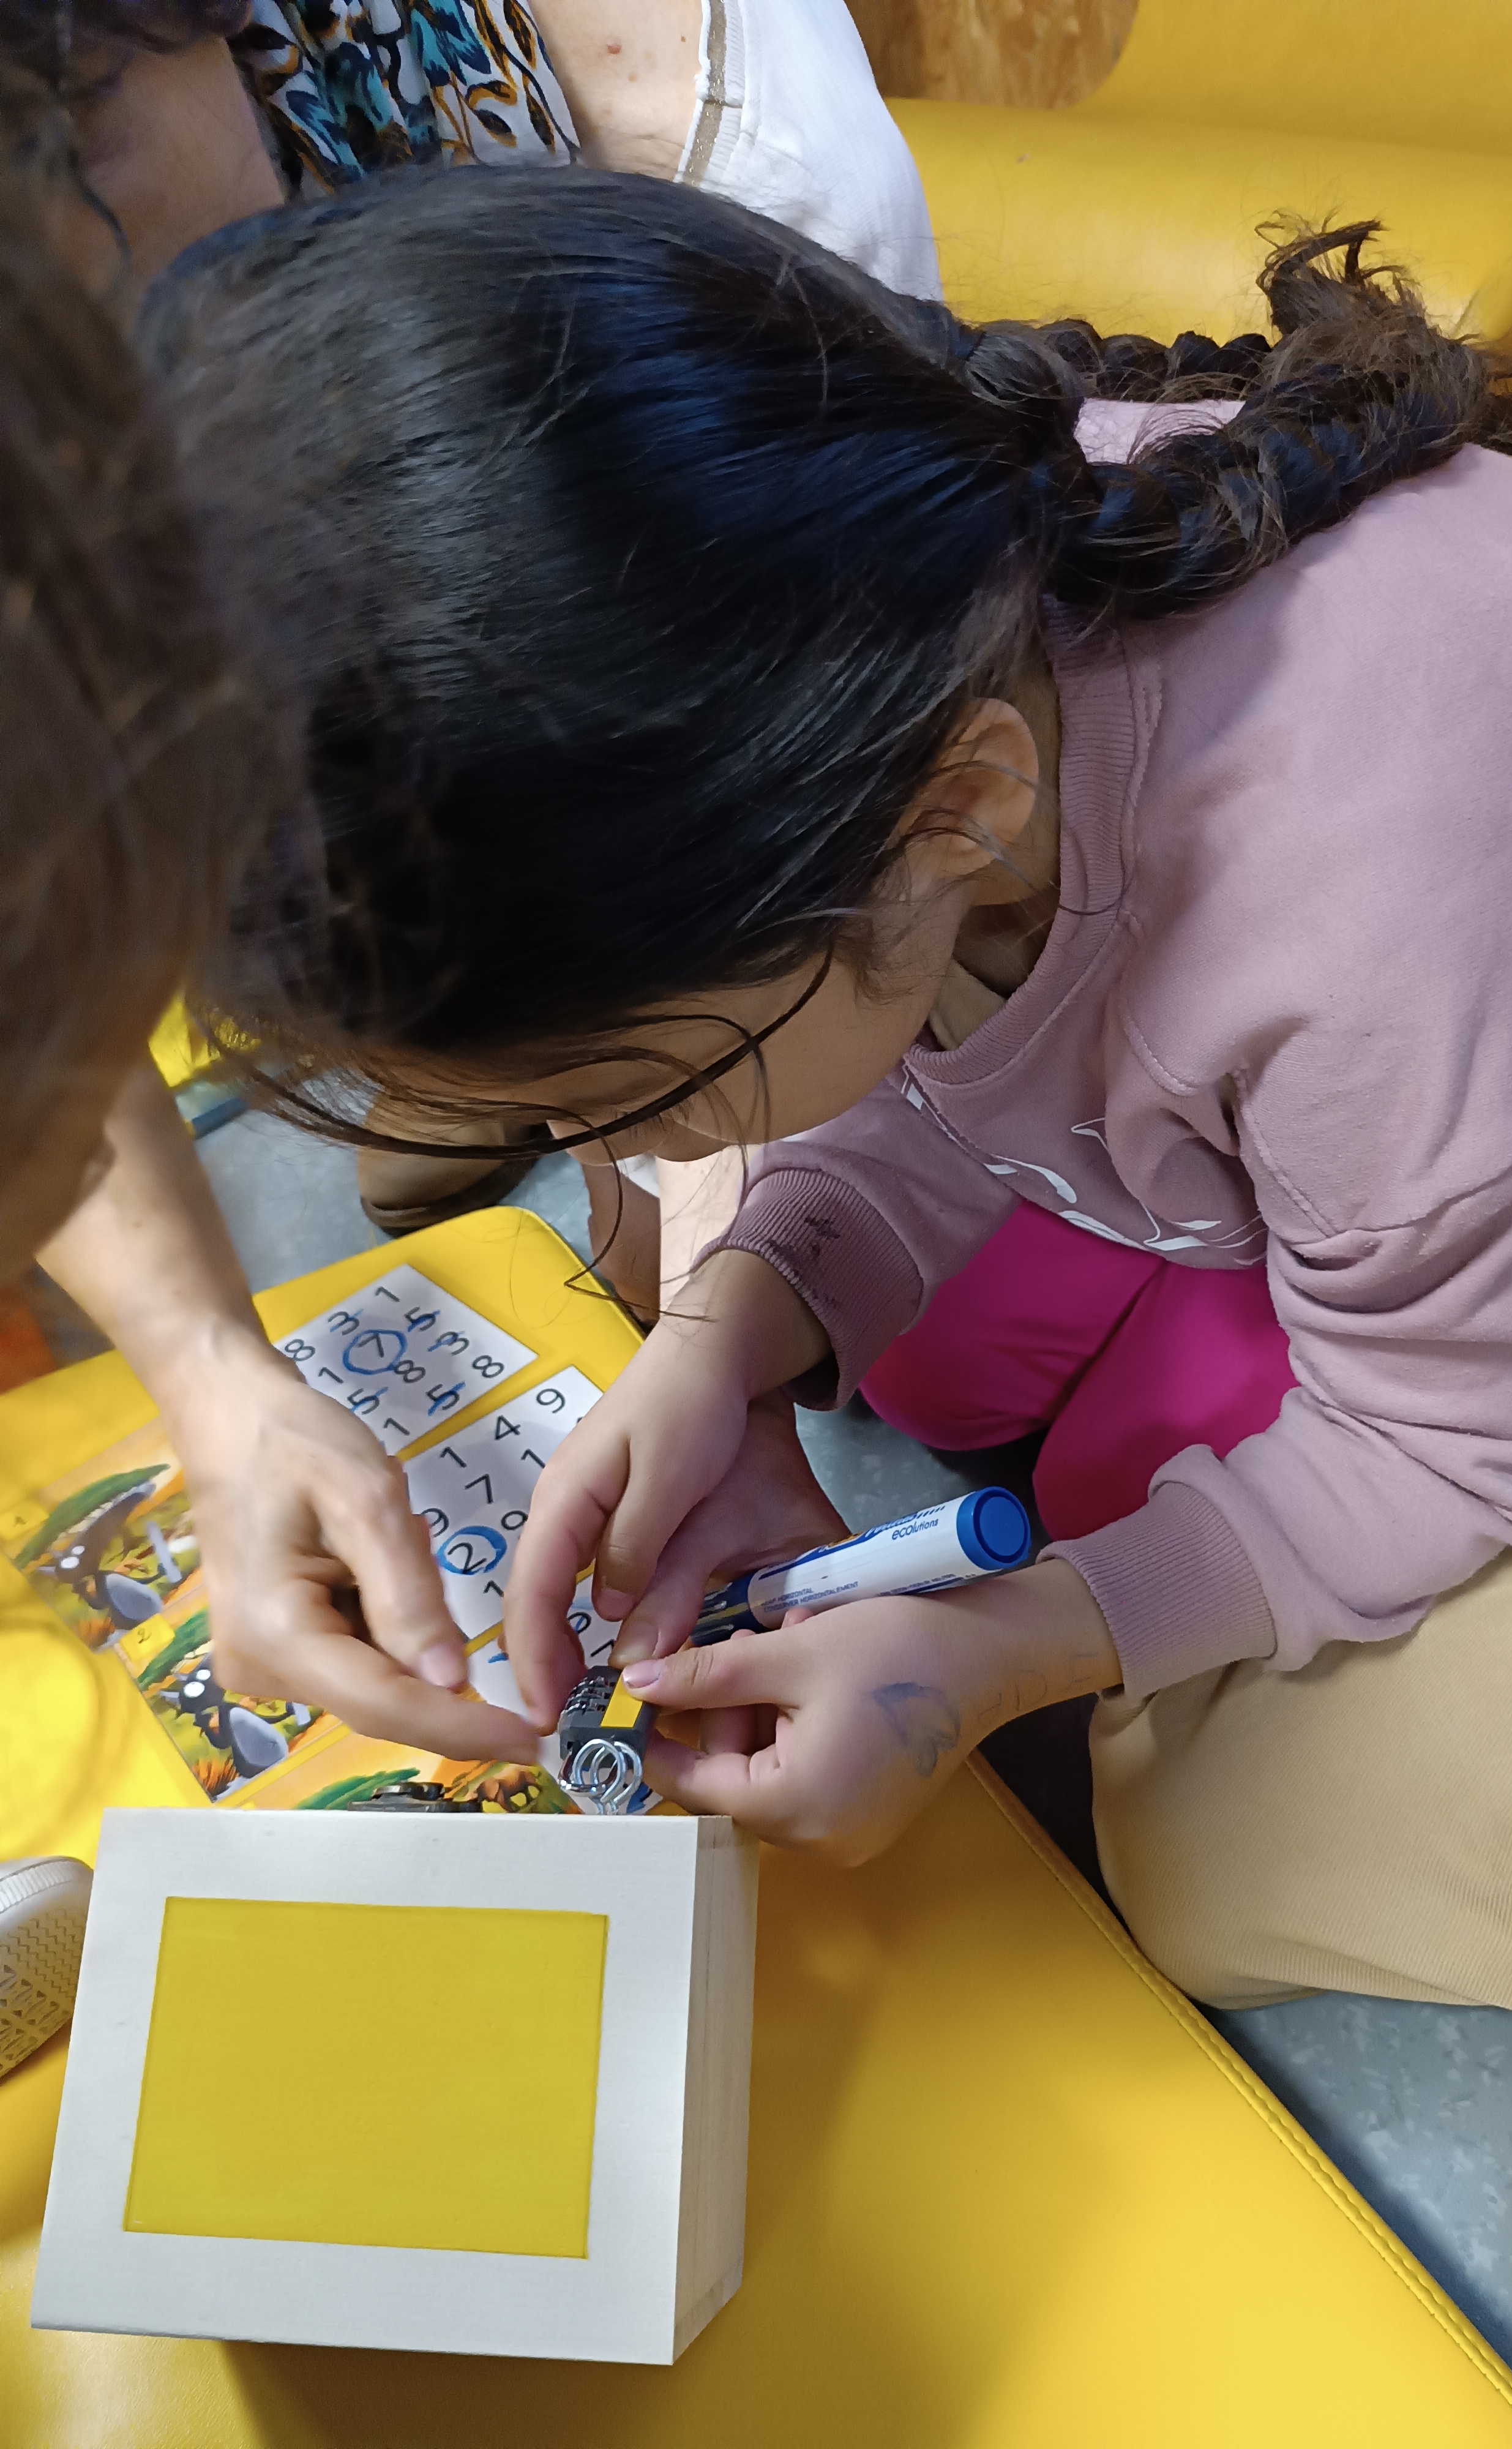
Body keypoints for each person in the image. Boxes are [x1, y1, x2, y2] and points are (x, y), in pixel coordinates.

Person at [144, 156, 1512, 2442]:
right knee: (1042, 1484)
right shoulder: (906, 658)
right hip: (1419, 1102)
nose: (634, 1164)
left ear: (957, 805)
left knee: (1222, 1828)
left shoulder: (1361, 881)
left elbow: (1450, 1425)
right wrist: (733, 1330)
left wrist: (1011, 1647)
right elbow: (927, 1057)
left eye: (644, 1096)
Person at [6, 0, 939, 1753]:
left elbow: (788, 845)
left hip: (752, 786)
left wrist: (721, 1311)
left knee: (715, 1216)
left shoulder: (728, 192)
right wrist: (211, 1375)